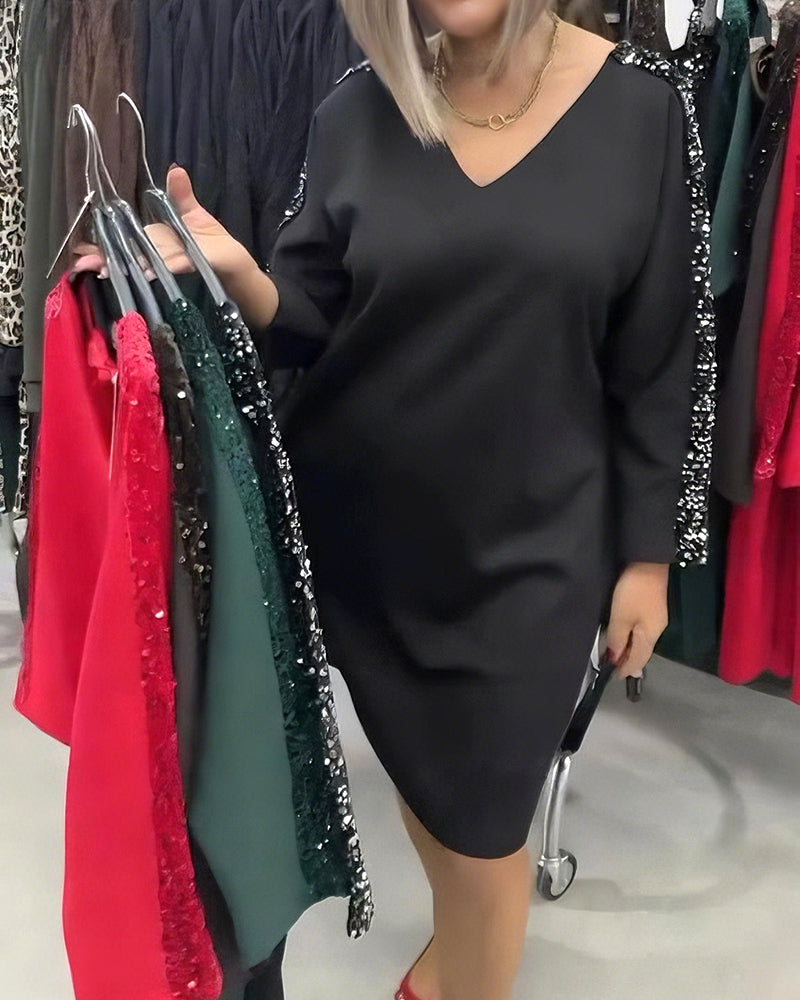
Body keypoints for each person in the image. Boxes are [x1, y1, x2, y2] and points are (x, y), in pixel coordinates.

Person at [77, 2, 697, 998]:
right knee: (435, 791)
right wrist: (242, 274)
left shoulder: (642, 113)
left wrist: (646, 558)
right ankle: (445, 971)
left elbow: (658, 361)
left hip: (536, 556)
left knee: (487, 835)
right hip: (368, 544)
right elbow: (308, 318)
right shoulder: (357, 111)